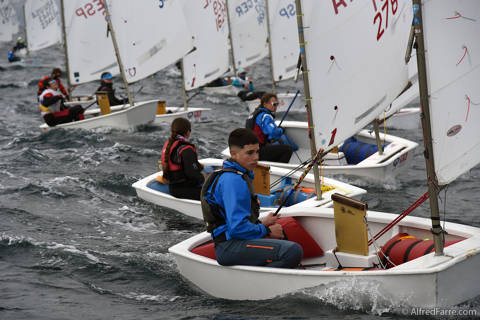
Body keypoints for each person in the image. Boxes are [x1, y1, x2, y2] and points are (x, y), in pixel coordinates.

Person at [201, 128, 302, 268]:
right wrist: (266, 230)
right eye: (250, 153)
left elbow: (236, 220)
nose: (256, 157)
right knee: (292, 251)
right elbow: (237, 228)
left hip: (233, 241)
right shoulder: (234, 180)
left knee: (285, 233)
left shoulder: (237, 175)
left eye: (257, 151)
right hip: (230, 246)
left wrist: (262, 223)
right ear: (234, 154)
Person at [161, 118, 204, 200]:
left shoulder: (168, 144)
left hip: (173, 188)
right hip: (184, 190)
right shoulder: (186, 149)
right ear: (187, 132)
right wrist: (205, 179)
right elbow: (193, 175)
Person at [245, 93, 293, 163]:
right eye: (274, 104)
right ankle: (279, 169)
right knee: (288, 149)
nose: (276, 106)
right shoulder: (265, 116)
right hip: (257, 151)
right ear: (265, 104)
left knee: (275, 145)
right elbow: (273, 132)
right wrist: (281, 130)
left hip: (249, 150)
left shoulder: (254, 114)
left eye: (277, 104)